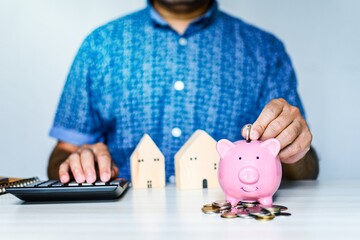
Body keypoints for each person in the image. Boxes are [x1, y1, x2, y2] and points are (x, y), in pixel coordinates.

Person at [47, 0, 319, 184]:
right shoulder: (100, 45)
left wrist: (294, 149)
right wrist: (77, 161)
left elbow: (307, 170)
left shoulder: (266, 50)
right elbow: (62, 154)